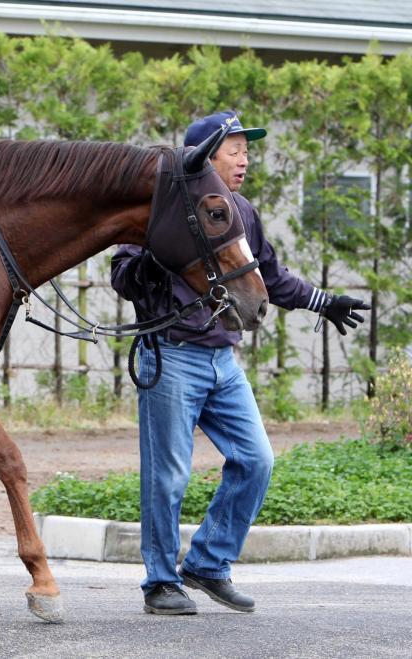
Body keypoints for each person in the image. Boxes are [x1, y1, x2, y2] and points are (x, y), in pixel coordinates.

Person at [110, 110, 369, 615]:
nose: (244, 160)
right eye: (235, 150)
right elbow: (122, 275)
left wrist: (323, 302)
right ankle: (160, 583)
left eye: (247, 151)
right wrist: (151, 259)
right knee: (168, 477)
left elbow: (269, 275)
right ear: (204, 158)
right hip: (171, 357)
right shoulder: (160, 209)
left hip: (223, 361)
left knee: (256, 460)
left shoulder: (242, 212)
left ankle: (208, 563)